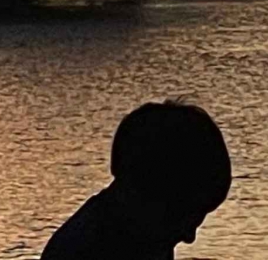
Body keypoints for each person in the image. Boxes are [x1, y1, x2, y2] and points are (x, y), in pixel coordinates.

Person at [42, 100, 232, 260]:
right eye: (182, 216)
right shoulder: (92, 249)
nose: (189, 236)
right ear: (138, 194)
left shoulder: (143, 236)